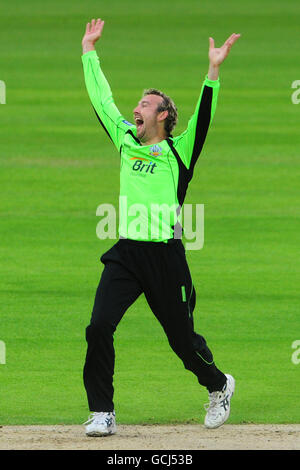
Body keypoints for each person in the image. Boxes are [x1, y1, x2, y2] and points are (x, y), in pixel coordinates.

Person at [81, 18, 240, 436]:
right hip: (127, 254)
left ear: (165, 116)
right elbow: (102, 99)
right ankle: (102, 412)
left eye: (145, 105)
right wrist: (89, 52)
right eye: (138, 104)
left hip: (165, 258)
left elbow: (204, 118)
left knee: (183, 342)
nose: (136, 109)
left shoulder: (178, 151)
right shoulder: (125, 141)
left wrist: (213, 73)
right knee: (99, 326)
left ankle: (219, 384)